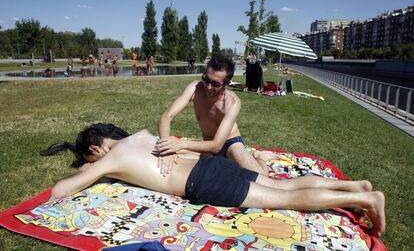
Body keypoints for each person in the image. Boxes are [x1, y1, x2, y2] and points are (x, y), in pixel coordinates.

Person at [41, 123, 386, 237]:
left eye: (88, 158)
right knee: (283, 185)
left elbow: (61, 190)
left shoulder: (110, 157)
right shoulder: (143, 135)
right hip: (213, 164)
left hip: (201, 181)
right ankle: (354, 187)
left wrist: (87, 171)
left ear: (95, 149)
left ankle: (365, 201)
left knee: (284, 200)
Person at [157, 56, 266, 176]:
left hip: (230, 144)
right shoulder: (195, 88)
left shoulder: (232, 102)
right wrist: (166, 149)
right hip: (206, 145)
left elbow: (216, 146)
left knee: (259, 176)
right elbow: (166, 116)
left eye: (215, 84)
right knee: (167, 153)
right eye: (206, 79)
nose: (208, 87)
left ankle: (260, 157)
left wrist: (181, 144)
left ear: (227, 83)